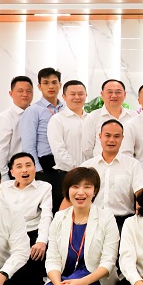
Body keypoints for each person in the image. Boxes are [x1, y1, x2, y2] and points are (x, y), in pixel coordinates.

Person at [26, 167, 119, 285]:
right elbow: (52, 258)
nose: (80, 192)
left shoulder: (106, 218)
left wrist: (81, 283)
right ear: (67, 190)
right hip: (64, 276)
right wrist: (58, 284)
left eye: (87, 187)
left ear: (95, 191)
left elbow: (108, 262)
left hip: (93, 278)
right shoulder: (60, 217)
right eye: (75, 186)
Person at [0, 152, 53, 285]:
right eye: (19, 166)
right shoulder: (4, 188)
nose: (24, 170)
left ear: (35, 168)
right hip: (9, 232)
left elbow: (46, 215)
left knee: (36, 253)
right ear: (12, 172)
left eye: (28, 165)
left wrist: (42, 241)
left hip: (32, 231)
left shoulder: (44, 187)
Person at [81, 120, 143, 231]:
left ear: (122, 138)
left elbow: (141, 194)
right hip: (92, 221)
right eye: (107, 135)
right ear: (100, 137)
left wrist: (139, 222)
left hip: (123, 223)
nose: (111, 140)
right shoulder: (87, 166)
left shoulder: (132, 164)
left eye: (116, 136)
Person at [47, 80, 89, 211]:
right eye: (72, 94)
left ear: (86, 96)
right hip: (66, 175)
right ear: (64, 97)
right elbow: (58, 150)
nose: (77, 97)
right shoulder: (57, 119)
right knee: (65, 215)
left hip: (90, 176)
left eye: (80, 94)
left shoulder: (91, 119)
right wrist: (78, 169)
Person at [19, 67, 64, 184]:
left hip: (65, 162)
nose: (51, 86)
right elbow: (28, 145)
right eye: (46, 83)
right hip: (45, 163)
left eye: (54, 82)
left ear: (60, 85)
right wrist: (38, 169)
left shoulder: (66, 108)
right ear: (39, 86)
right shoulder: (33, 110)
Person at [83, 79, 136, 160]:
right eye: (109, 92)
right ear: (102, 94)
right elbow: (87, 149)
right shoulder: (92, 117)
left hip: (128, 165)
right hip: (101, 165)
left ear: (124, 94)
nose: (114, 95)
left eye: (118, 92)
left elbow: (139, 145)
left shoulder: (134, 116)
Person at [0, 75, 34, 177]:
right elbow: (0, 149)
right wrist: (4, 176)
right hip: (14, 169)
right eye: (20, 91)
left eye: (28, 91)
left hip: (35, 168)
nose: (25, 94)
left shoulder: (36, 114)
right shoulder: (4, 117)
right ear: (11, 94)